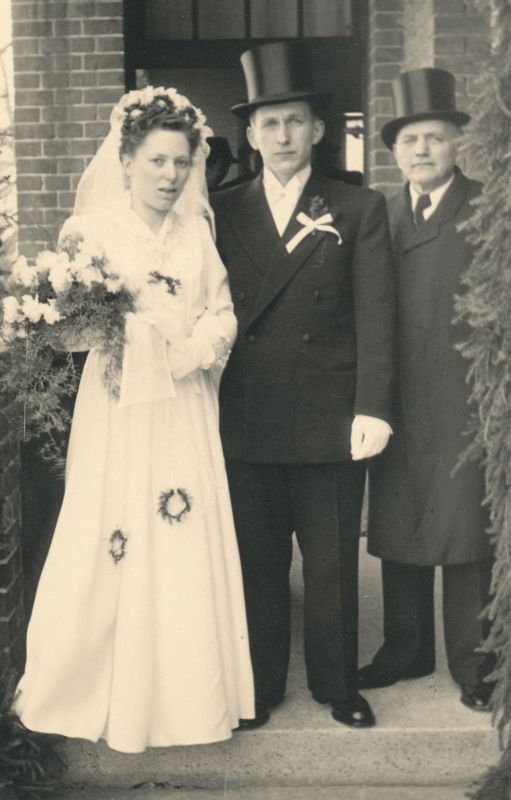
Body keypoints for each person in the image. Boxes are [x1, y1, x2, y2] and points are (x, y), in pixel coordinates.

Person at [14, 86, 255, 752]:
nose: (170, 176)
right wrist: (120, 332)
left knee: (180, 531)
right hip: (119, 409)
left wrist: (193, 349)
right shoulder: (88, 235)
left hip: (184, 408)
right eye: (156, 161)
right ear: (125, 161)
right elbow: (64, 331)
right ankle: (97, 691)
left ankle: (185, 702)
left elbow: (222, 311)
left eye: (181, 162)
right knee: (112, 530)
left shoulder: (196, 232)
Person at [210, 41, 396, 730]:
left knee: (330, 566)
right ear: (251, 135)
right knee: (257, 565)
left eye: (293, 121)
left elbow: (377, 315)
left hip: (329, 415)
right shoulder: (222, 210)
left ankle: (337, 685)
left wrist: (372, 406)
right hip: (248, 415)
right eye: (269, 123)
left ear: (317, 129)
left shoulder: (357, 206)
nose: (282, 135)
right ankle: (260, 688)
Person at [360, 68, 494, 711]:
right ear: (394, 151)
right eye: (409, 140)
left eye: (434, 138)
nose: (421, 150)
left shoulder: (489, 211)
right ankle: (406, 650)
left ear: (455, 143)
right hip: (398, 397)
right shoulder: (380, 215)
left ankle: (476, 664)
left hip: (466, 395)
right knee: (401, 518)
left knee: (467, 529)